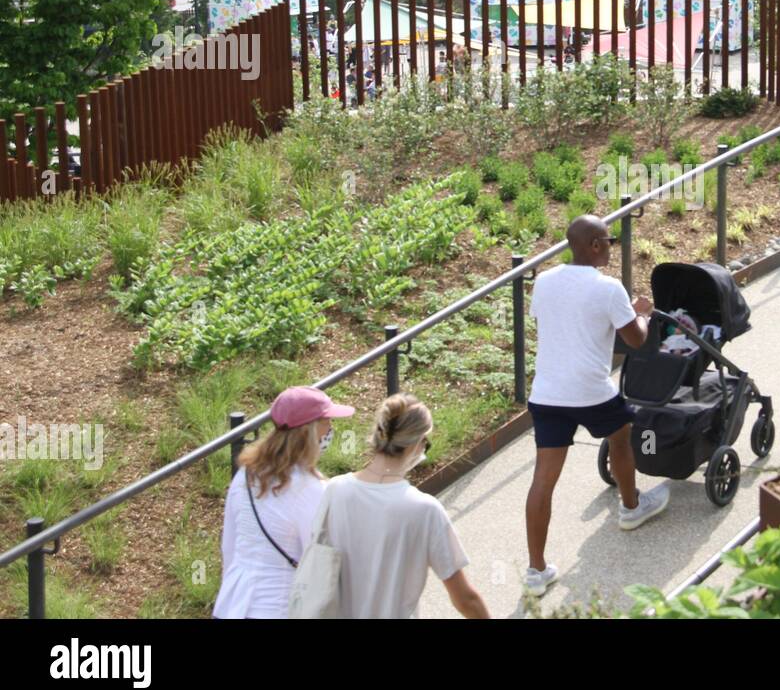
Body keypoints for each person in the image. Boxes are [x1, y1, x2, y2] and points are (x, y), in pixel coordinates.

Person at [524, 216, 670, 597]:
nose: (611, 246)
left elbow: (558, 322)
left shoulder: (543, 281)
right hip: (591, 391)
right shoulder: (609, 289)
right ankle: (631, 507)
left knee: (543, 480)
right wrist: (641, 312)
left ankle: (536, 571)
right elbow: (636, 340)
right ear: (592, 245)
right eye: (607, 240)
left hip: (547, 394)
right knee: (622, 437)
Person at [322, 394, 489, 618]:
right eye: (426, 443)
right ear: (416, 443)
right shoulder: (424, 509)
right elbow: (465, 599)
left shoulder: (335, 490)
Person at [213, 386, 355, 619]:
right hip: (277, 607)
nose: (331, 428)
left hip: (231, 605)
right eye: (327, 421)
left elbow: (229, 546)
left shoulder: (246, 474)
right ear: (309, 430)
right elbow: (320, 559)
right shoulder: (311, 488)